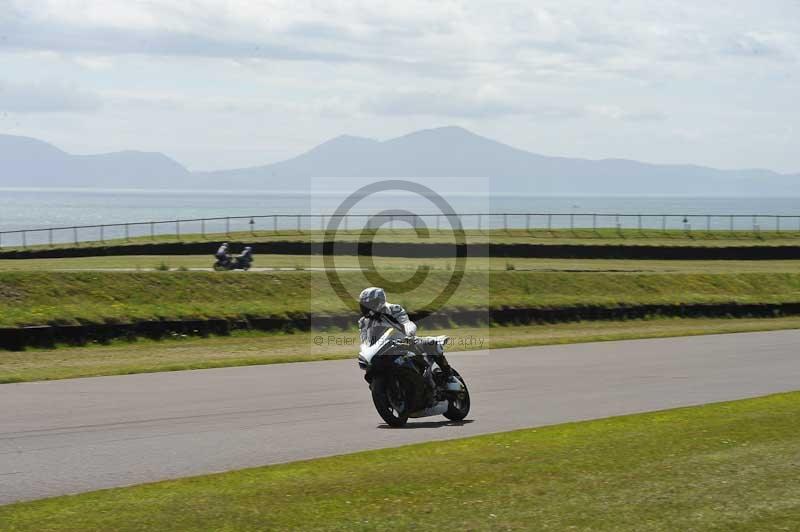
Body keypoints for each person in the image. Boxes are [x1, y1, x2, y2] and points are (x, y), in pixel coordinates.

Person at [358, 286, 452, 377]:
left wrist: (409, 333)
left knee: (431, 343)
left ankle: (449, 375)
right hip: (382, 350)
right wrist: (365, 353)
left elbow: (406, 322)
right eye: (363, 305)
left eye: (369, 304)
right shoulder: (363, 322)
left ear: (379, 302)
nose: (365, 308)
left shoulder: (393, 309)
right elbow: (365, 341)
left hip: (404, 342)